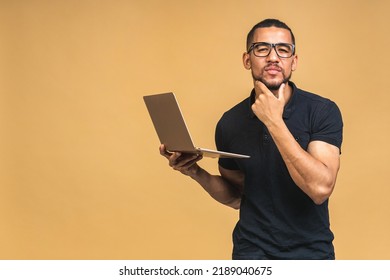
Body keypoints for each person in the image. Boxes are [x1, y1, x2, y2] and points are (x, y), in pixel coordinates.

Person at [159, 18, 343, 260]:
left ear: (293, 61)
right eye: (262, 48)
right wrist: (195, 171)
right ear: (247, 59)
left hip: (310, 256)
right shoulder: (230, 123)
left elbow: (320, 188)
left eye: (283, 50)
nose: (273, 57)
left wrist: (273, 121)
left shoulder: (322, 111)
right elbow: (237, 196)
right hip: (250, 255)